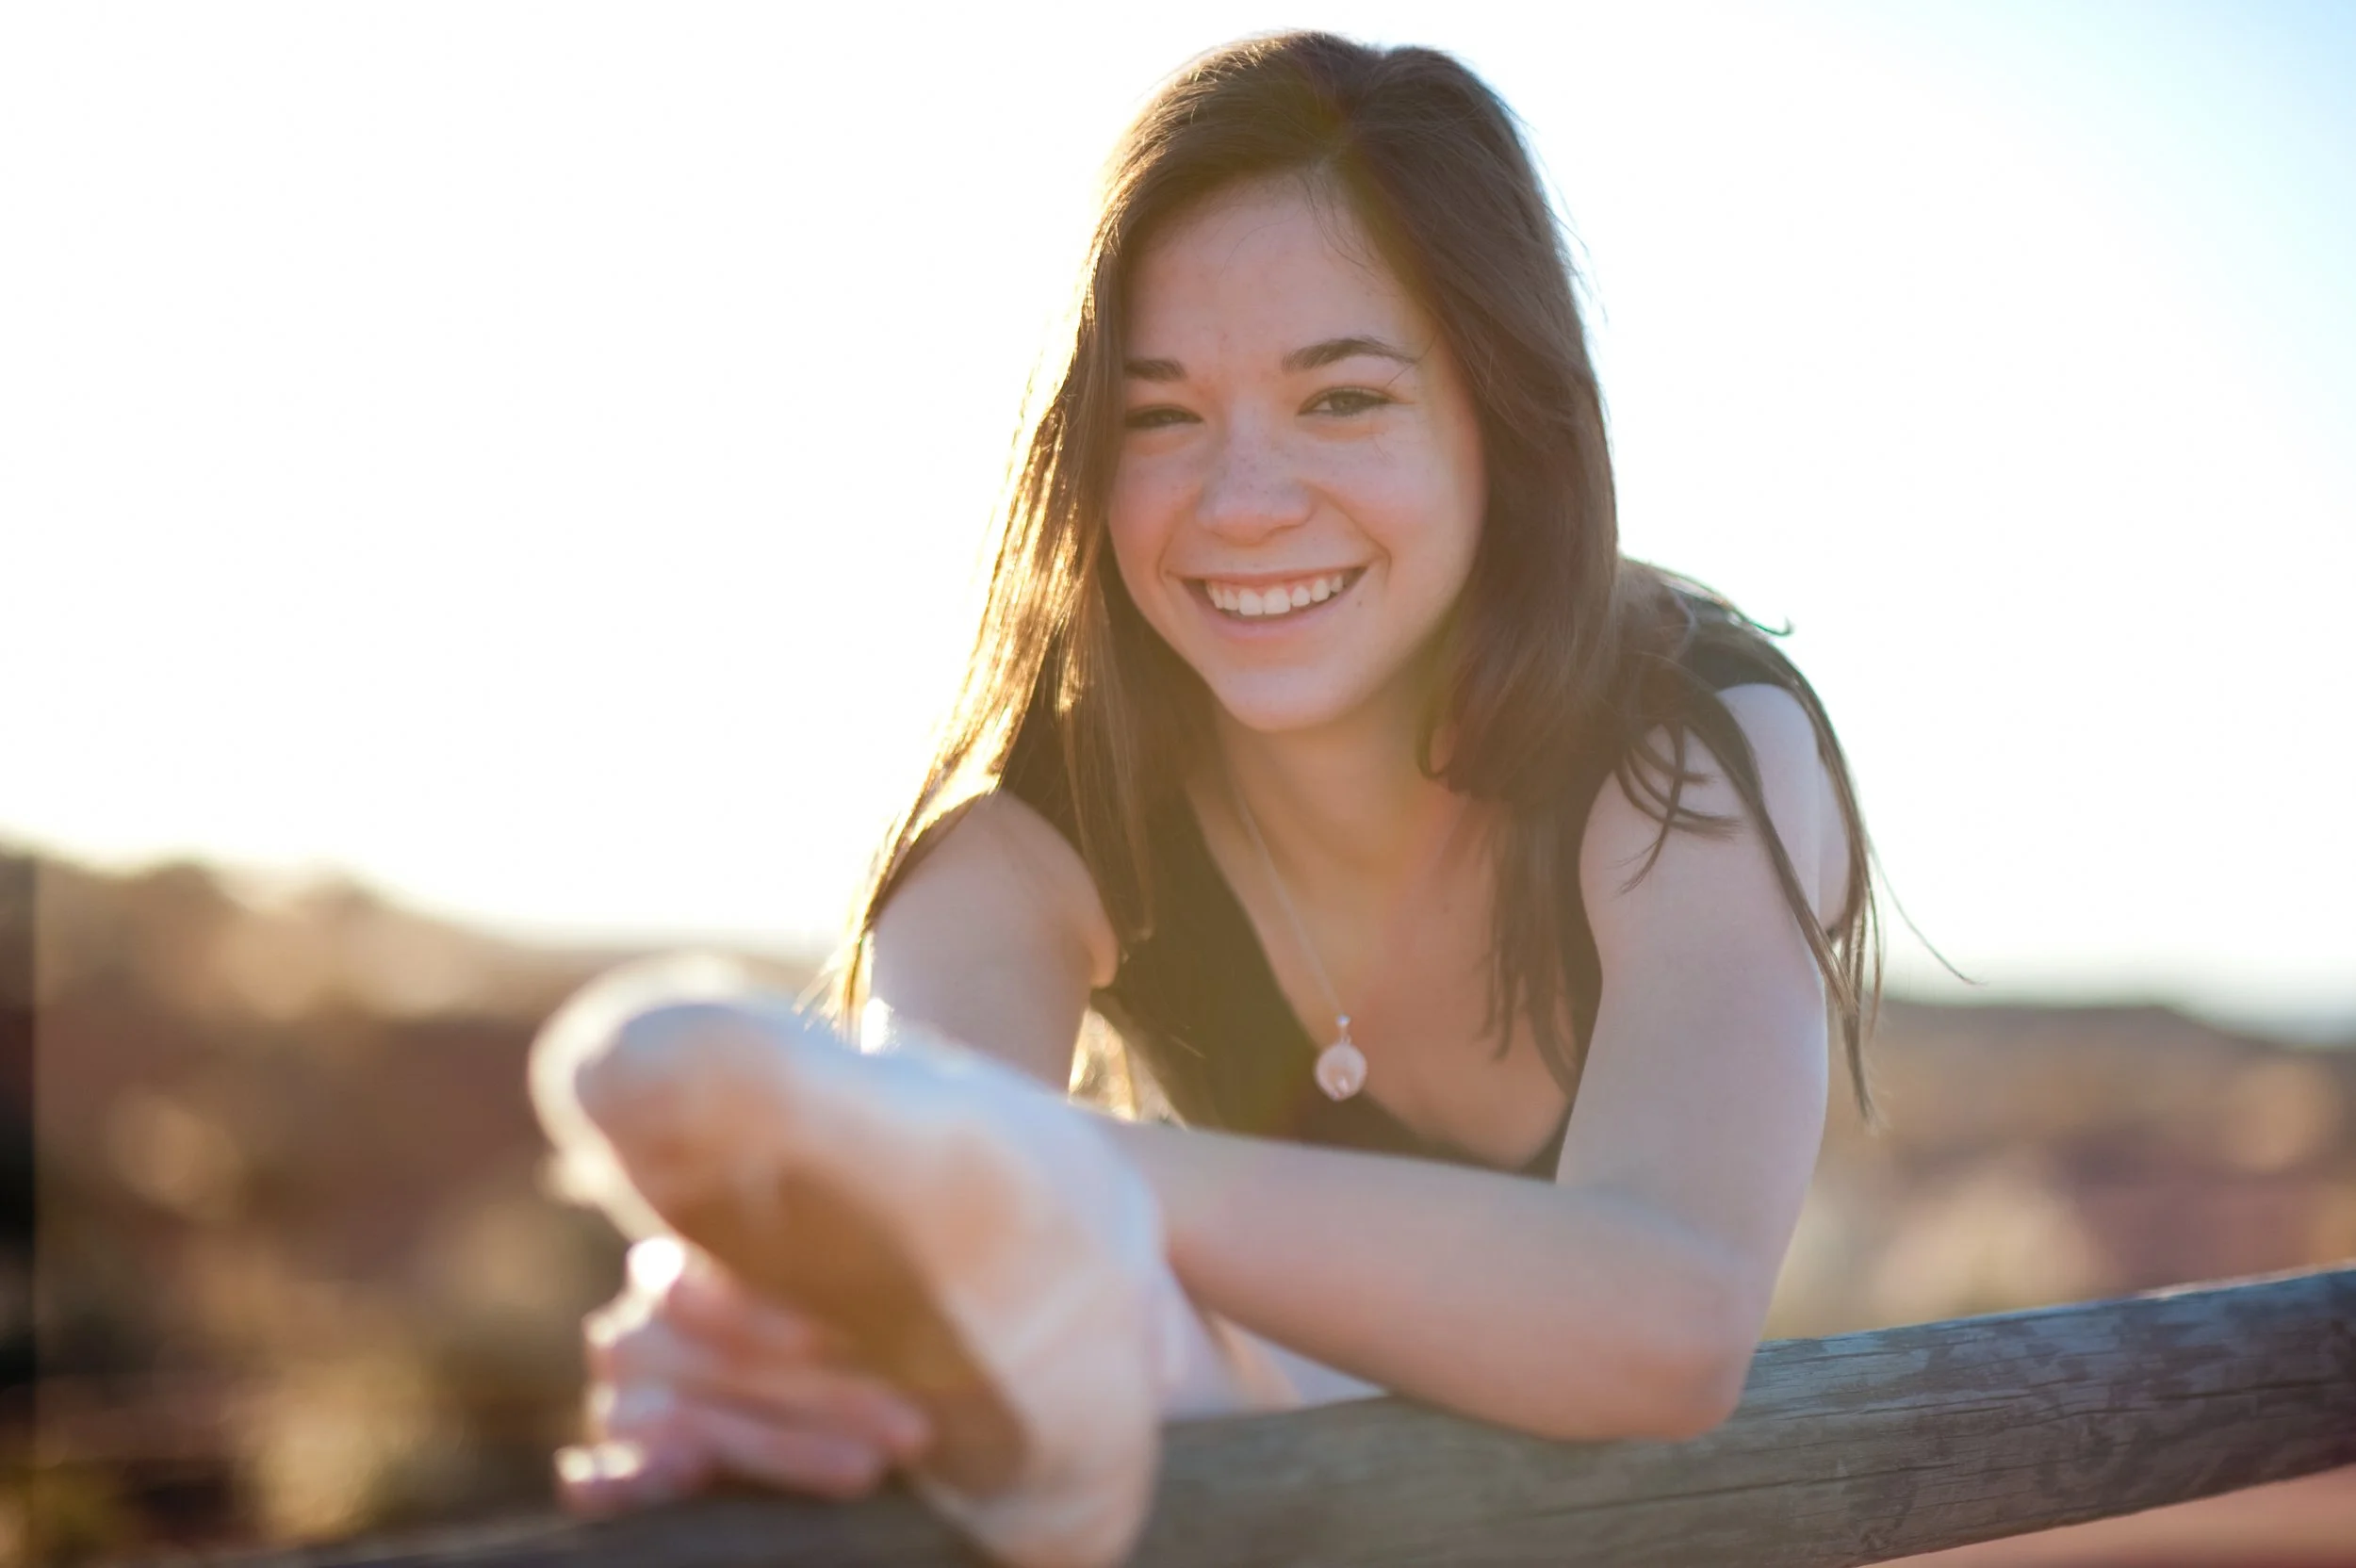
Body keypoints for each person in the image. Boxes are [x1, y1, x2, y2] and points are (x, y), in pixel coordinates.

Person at [527, 29, 1883, 1568]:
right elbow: (933, 1243)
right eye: (1160, 417)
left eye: (1345, 399)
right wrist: (790, 1316)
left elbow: (1672, 1318)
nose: (1241, 503)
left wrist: (1004, 1168)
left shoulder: (1691, 740)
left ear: (1507, 421)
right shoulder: (1030, 814)